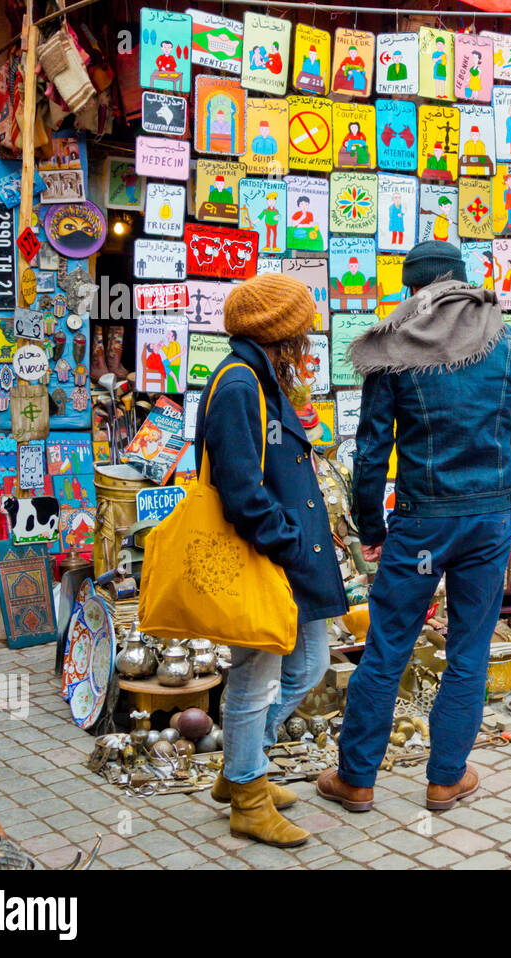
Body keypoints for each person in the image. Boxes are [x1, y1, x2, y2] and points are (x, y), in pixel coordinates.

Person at [317, 240, 511, 814]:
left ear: (415, 289)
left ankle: (357, 780)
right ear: (462, 280)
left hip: (420, 522)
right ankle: (446, 779)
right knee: (468, 650)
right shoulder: (507, 340)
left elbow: (371, 449)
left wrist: (370, 523)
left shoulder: (398, 343)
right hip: (487, 521)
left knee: (388, 647)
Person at [194, 274, 347, 847]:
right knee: (254, 682)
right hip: (264, 558)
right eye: (302, 332)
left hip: (287, 558)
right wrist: (285, 541)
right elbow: (241, 491)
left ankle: (241, 766)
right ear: (279, 335)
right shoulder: (238, 384)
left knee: (308, 664)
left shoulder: (257, 378)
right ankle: (248, 798)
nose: (308, 342)